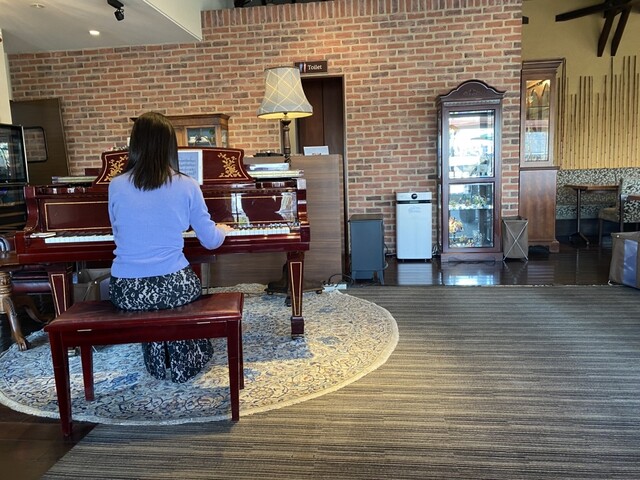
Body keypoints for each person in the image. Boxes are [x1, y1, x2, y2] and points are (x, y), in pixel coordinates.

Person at [108, 111, 233, 383]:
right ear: (170, 146)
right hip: (173, 286)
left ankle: (157, 360)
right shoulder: (186, 184)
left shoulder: (115, 185)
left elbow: (118, 234)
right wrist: (222, 229)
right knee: (187, 287)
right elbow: (210, 240)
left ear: (135, 144)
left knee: (156, 299)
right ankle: (183, 361)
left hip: (126, 290)